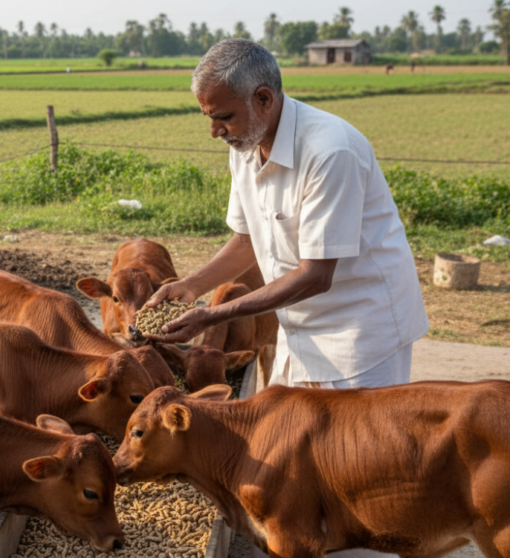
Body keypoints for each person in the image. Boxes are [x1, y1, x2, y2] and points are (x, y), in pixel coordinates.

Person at [147, 38, 428, 394]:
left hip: (360, 334)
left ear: (263, 99)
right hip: (296, 329)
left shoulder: (330, 151)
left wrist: (214, 315)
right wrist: (190, 287)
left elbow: (315, 275)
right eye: (209, 118)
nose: (215, 132)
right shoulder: (246, 143)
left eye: (224, 117)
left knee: (353, 447)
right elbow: (247, 239)